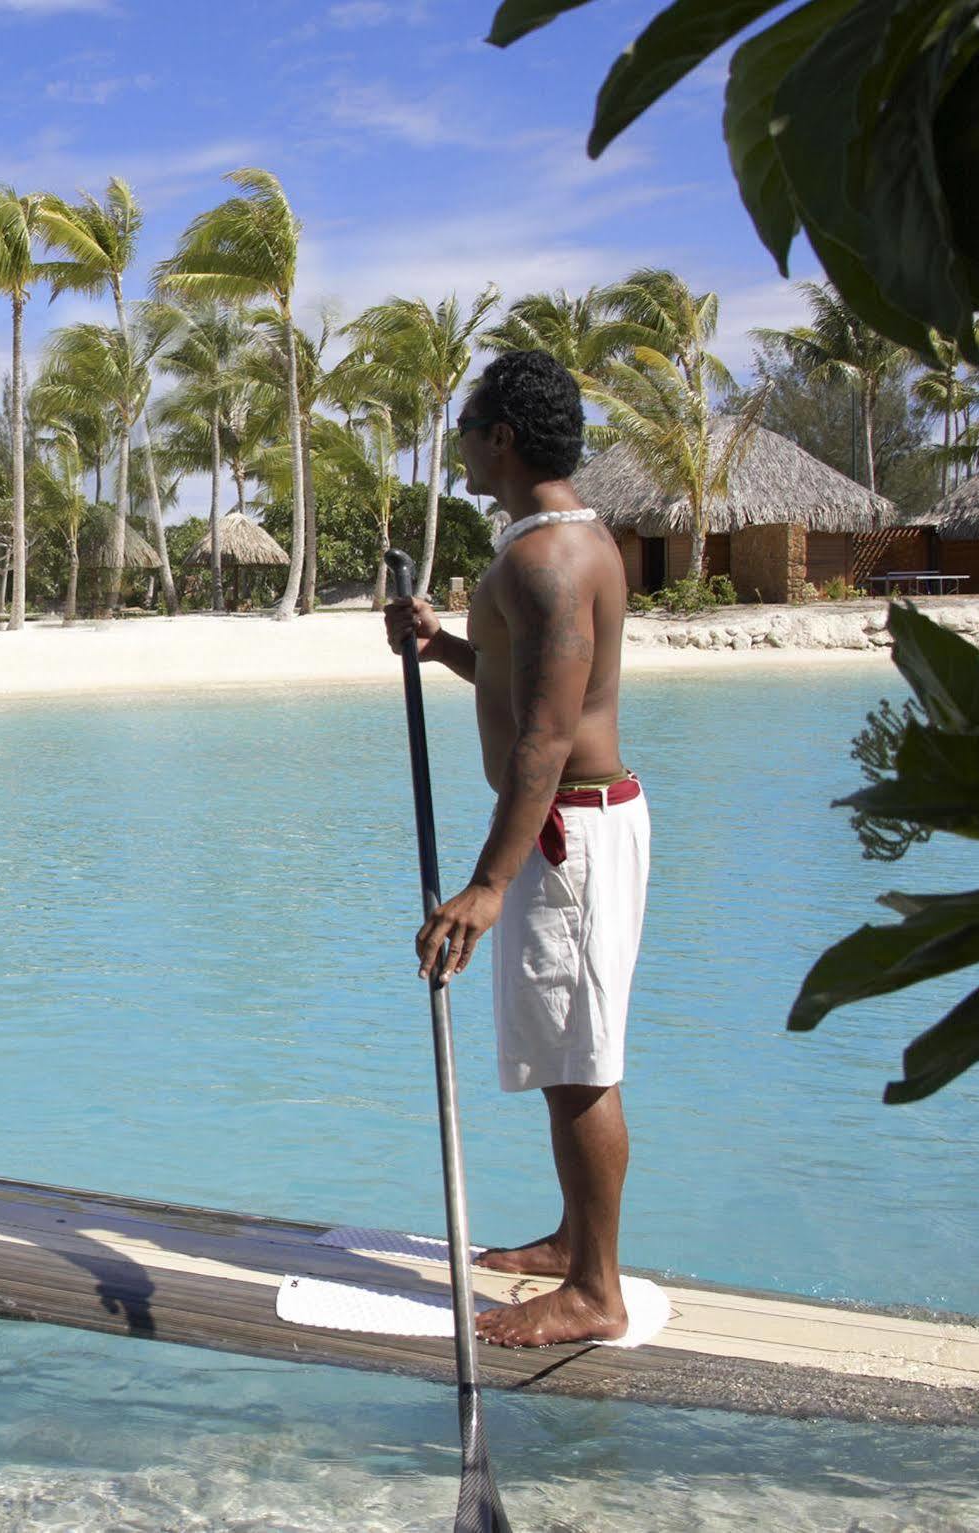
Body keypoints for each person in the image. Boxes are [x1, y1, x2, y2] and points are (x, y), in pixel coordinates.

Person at [383, 350, 649, 1348]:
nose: (456, 444)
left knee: (579, 1060)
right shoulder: (555, 544)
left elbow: (544, 734)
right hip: (571, 823)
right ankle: (572, 1242)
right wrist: (444, 645)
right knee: (566, 1047)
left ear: (500, 438)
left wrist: (488, 884)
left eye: (465, 426)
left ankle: (595, 1290)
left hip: (565, 831)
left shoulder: (546, 559)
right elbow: (524, 684)